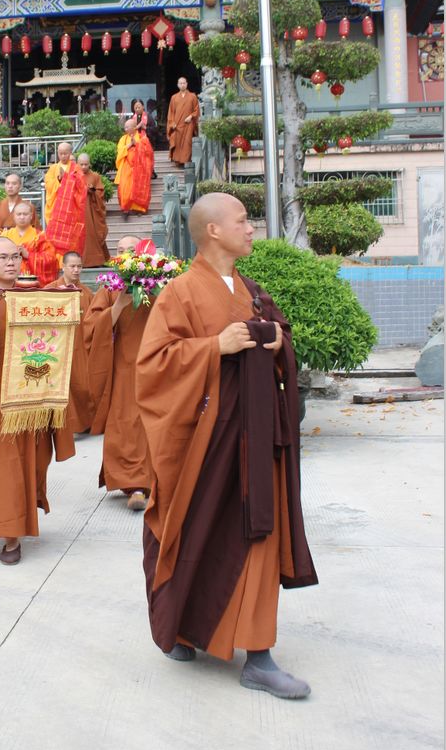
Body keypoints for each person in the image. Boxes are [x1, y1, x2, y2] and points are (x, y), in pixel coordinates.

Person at [135, 193, 317, 699]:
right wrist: (212, 347)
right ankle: (187, 626)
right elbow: (153, 366)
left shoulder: (249, 289)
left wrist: (279, 342)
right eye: (243, 221)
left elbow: (279, 334)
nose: (252, 229)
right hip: (206, 448)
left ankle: (258, 656)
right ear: (213, 231)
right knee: (193, 535)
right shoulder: (180, 293)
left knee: (257, 534)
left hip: (257, 440)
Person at [0, 236, 75, 564]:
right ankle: (10, 537)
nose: (10, 263)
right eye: (2, 257)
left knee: (31, 461)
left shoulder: (32, 297)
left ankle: (21, 518)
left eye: (15, 257)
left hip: (31, 397)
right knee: (4, 466)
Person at [83, 234, 153, 511]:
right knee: (126, 424)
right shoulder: (110, 289)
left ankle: (158, 480)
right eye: (119, 251)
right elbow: (91, 329)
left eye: (130, 250)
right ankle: (135, 485)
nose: (124, 255)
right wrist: (119, 305)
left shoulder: (158, 286)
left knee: (155, 425)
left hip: (158, 367)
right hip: (123, 367)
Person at [43, 251, 94, 437]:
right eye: (72, 266)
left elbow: (94, 320)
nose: (76, 270)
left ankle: (86, 424)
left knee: (83, 385)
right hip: (57, 348)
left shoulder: (86, 293)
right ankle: (64, 428)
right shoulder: (50, 289)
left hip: (81, 346)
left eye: (79, 266)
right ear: (62, 267)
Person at [44, 141, 87, 260]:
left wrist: (67, 178)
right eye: (60, 153)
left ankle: (70, 260)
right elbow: (48, 184)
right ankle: (55, 261)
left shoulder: (76, 168)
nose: (63, 156)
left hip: (70, 210)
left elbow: (82, 186)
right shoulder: (53, 168)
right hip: (56, 209)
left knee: (70, 237)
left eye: (65, 153)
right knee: (54, 238)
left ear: (70, 153)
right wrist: (59, 180)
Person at [0, 201, 59, 287]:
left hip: (33, 284)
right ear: (14, 216)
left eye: (25, 214)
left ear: (31, 216)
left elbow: (51, 259)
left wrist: (28, 255)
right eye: (19, 214)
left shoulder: (40, 236)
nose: (22, 217)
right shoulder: (5, 236)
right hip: (9, 282)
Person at [115, 117, 154, 217]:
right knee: (125, 187)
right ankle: (126, 208)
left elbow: (148, 151)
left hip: (139, 167)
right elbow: (120, 151)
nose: (126, 129)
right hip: (127, 166)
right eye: (125, 127)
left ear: (134, 127)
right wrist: (129, 145)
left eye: (127, 127)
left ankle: (138, 209)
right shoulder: (123, 139)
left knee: (138, 187)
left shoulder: (142, 137)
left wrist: (136, 144)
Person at [76, 152, 110, 267]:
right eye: (81, 164)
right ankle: (78, 261)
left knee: (93, 234)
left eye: (86, 164)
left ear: (89, 164)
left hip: (91, 210)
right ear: (77, 164)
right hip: (78, 210)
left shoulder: (95, 176)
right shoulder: (74, 175)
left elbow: (100, 193)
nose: (84, 167)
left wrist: (93, 190)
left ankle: (96, 260)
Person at [0, 173, 39, 241]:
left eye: (14, 184)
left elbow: (36, 230)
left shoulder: (28, 207)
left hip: (24, 242)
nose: (10, 186)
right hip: (3, 242)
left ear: (20, 186)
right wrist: (0, 233)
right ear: (4, 186)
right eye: (7, 183)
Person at [167, 76, 199, 166]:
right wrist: (172, 123)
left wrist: (191, 116)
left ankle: (186, 162)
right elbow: (171, 112)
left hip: (188, 125)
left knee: (187, 143)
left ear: (187, 84)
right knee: (177, 143)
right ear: (178, 85)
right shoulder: (174, 97)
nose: (182, 85)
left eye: (184, 83)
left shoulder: (192, 96)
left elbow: (196, 110)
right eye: (180, 83)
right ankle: (178, 162)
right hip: (177, 125)